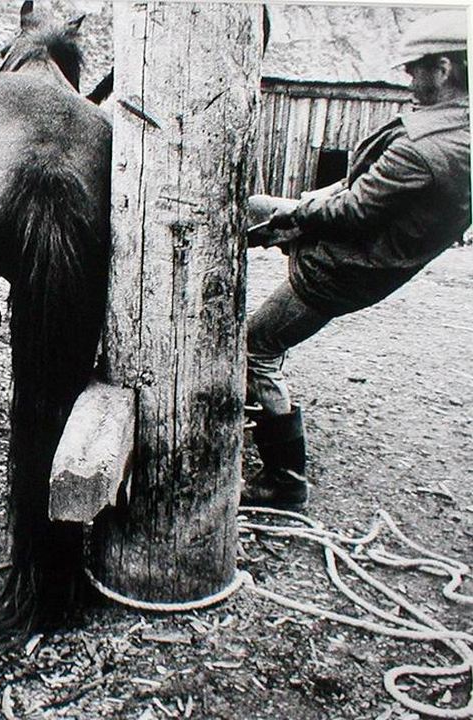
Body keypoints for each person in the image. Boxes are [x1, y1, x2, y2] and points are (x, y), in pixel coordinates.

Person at [242, 9, 471, 511]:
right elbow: (359, 192)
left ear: (446, 69)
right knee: (259, 214)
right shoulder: (458, 134)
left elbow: (352, 209)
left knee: (256, 347)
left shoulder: (423, 147)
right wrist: (298, 208)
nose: (409, 79)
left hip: (339, 269)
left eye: (415, 69)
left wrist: (295, 213)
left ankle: (285, 482)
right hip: (367, 261)